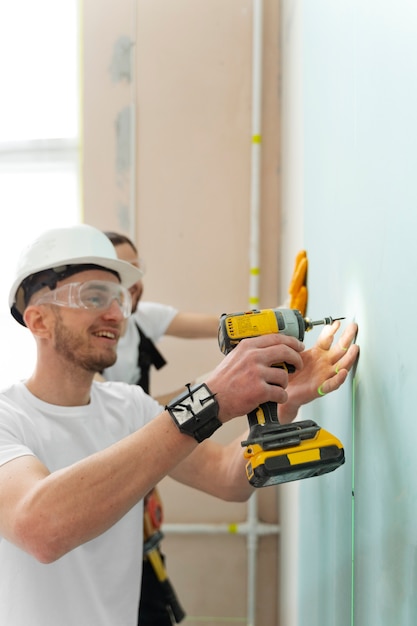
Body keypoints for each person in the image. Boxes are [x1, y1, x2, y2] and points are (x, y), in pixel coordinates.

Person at [0, 224, 359, 626]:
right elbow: (40, 529)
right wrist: (210, 399)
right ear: (39, 321)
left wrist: (285, 396)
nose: (117, 314)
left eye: (120, 298)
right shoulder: (6, 418)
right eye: (94, 297)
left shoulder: (129, 407)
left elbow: (227, 477)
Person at [100, 231, 219, 626]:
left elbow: (223, 326)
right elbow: (132, 411)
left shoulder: (143, 319)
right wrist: (216, 387)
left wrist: (274, 321)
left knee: (150, 587)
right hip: (110, 481)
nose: (133, 281)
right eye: (121, 270)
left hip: (141, 484)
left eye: (137, 268)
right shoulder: (94, 354)